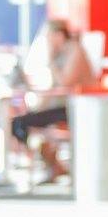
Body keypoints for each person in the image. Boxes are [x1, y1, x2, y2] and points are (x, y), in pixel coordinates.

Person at [11, 17, 96, 184]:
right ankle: (54, 167)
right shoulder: (62, 53)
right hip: (62, 105)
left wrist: (50, 61)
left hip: (76, 108)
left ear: (59, 35)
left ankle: (55, 167)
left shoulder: (75, 52)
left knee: (23, 123)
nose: (48, 41)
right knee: (22, 122)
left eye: (50, 36)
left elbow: (65, 83)